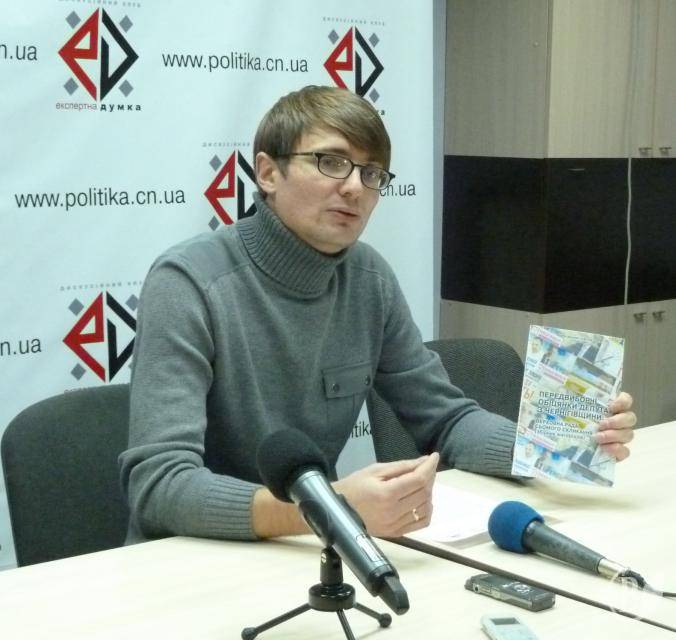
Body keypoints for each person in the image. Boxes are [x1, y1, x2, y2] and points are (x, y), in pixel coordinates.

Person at [119, 85, 636, 544]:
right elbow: (161, 486)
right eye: (330, 162)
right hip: (191, 559)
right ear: (269, 172)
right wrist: (328, 510)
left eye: (371, 173)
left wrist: (559, 441)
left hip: (314, 547)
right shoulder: (188, 282)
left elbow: (447, 419)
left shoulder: (368, 279)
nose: (354, 187)